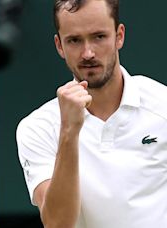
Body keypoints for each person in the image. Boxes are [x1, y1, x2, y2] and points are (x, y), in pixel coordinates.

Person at [16, 0, 167, 228]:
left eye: (99, 37)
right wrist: (69, 131)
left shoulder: (162, 104)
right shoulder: (37, 127)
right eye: (74, 40)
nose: (88, 53)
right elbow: (57, 224)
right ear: (59, 45)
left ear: (119, 36)